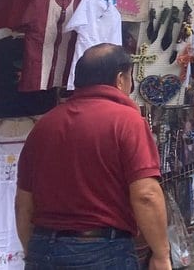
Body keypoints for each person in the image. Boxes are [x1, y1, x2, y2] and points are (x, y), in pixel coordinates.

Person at [15, 44, 169, 270]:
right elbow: (146, 194)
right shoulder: (127, 121)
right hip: (101, 249)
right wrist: (161, 254)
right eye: (130, 78)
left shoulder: (45, 124)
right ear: (120, 79)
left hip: (43, 248)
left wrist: (34, 251)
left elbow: (23, 203)